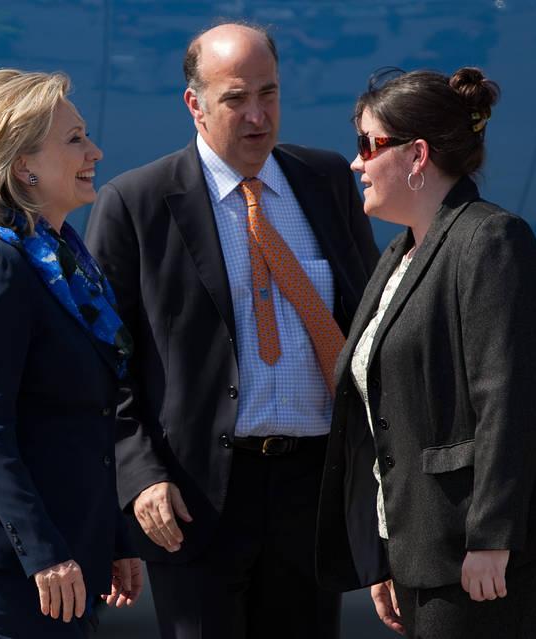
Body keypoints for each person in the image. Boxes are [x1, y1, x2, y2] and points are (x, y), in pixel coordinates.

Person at [85, 22, 380, 639]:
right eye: (235, 99)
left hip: (311, 487)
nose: (256, 116)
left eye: (268, 94)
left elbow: (365, 326)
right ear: (194, 105)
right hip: (197, 497)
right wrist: (139, 474)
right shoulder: (136, 204)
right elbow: (102, 365)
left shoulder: (326, 184)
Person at [315, 67, 536, 638]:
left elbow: (510, 401)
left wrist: (491, 538)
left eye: (368, 143)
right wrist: (387, 547)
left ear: (417, 156)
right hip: (428, 543)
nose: (356, 163)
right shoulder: (403, 253)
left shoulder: (492, 242)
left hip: (490, 552)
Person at [0, 69, 142, 638]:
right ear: (23, 164)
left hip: (63, 546)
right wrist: (42, 550)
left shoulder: (67, 268)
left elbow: (80, 421)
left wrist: (112, 536)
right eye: (74, 139)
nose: (95, 151)